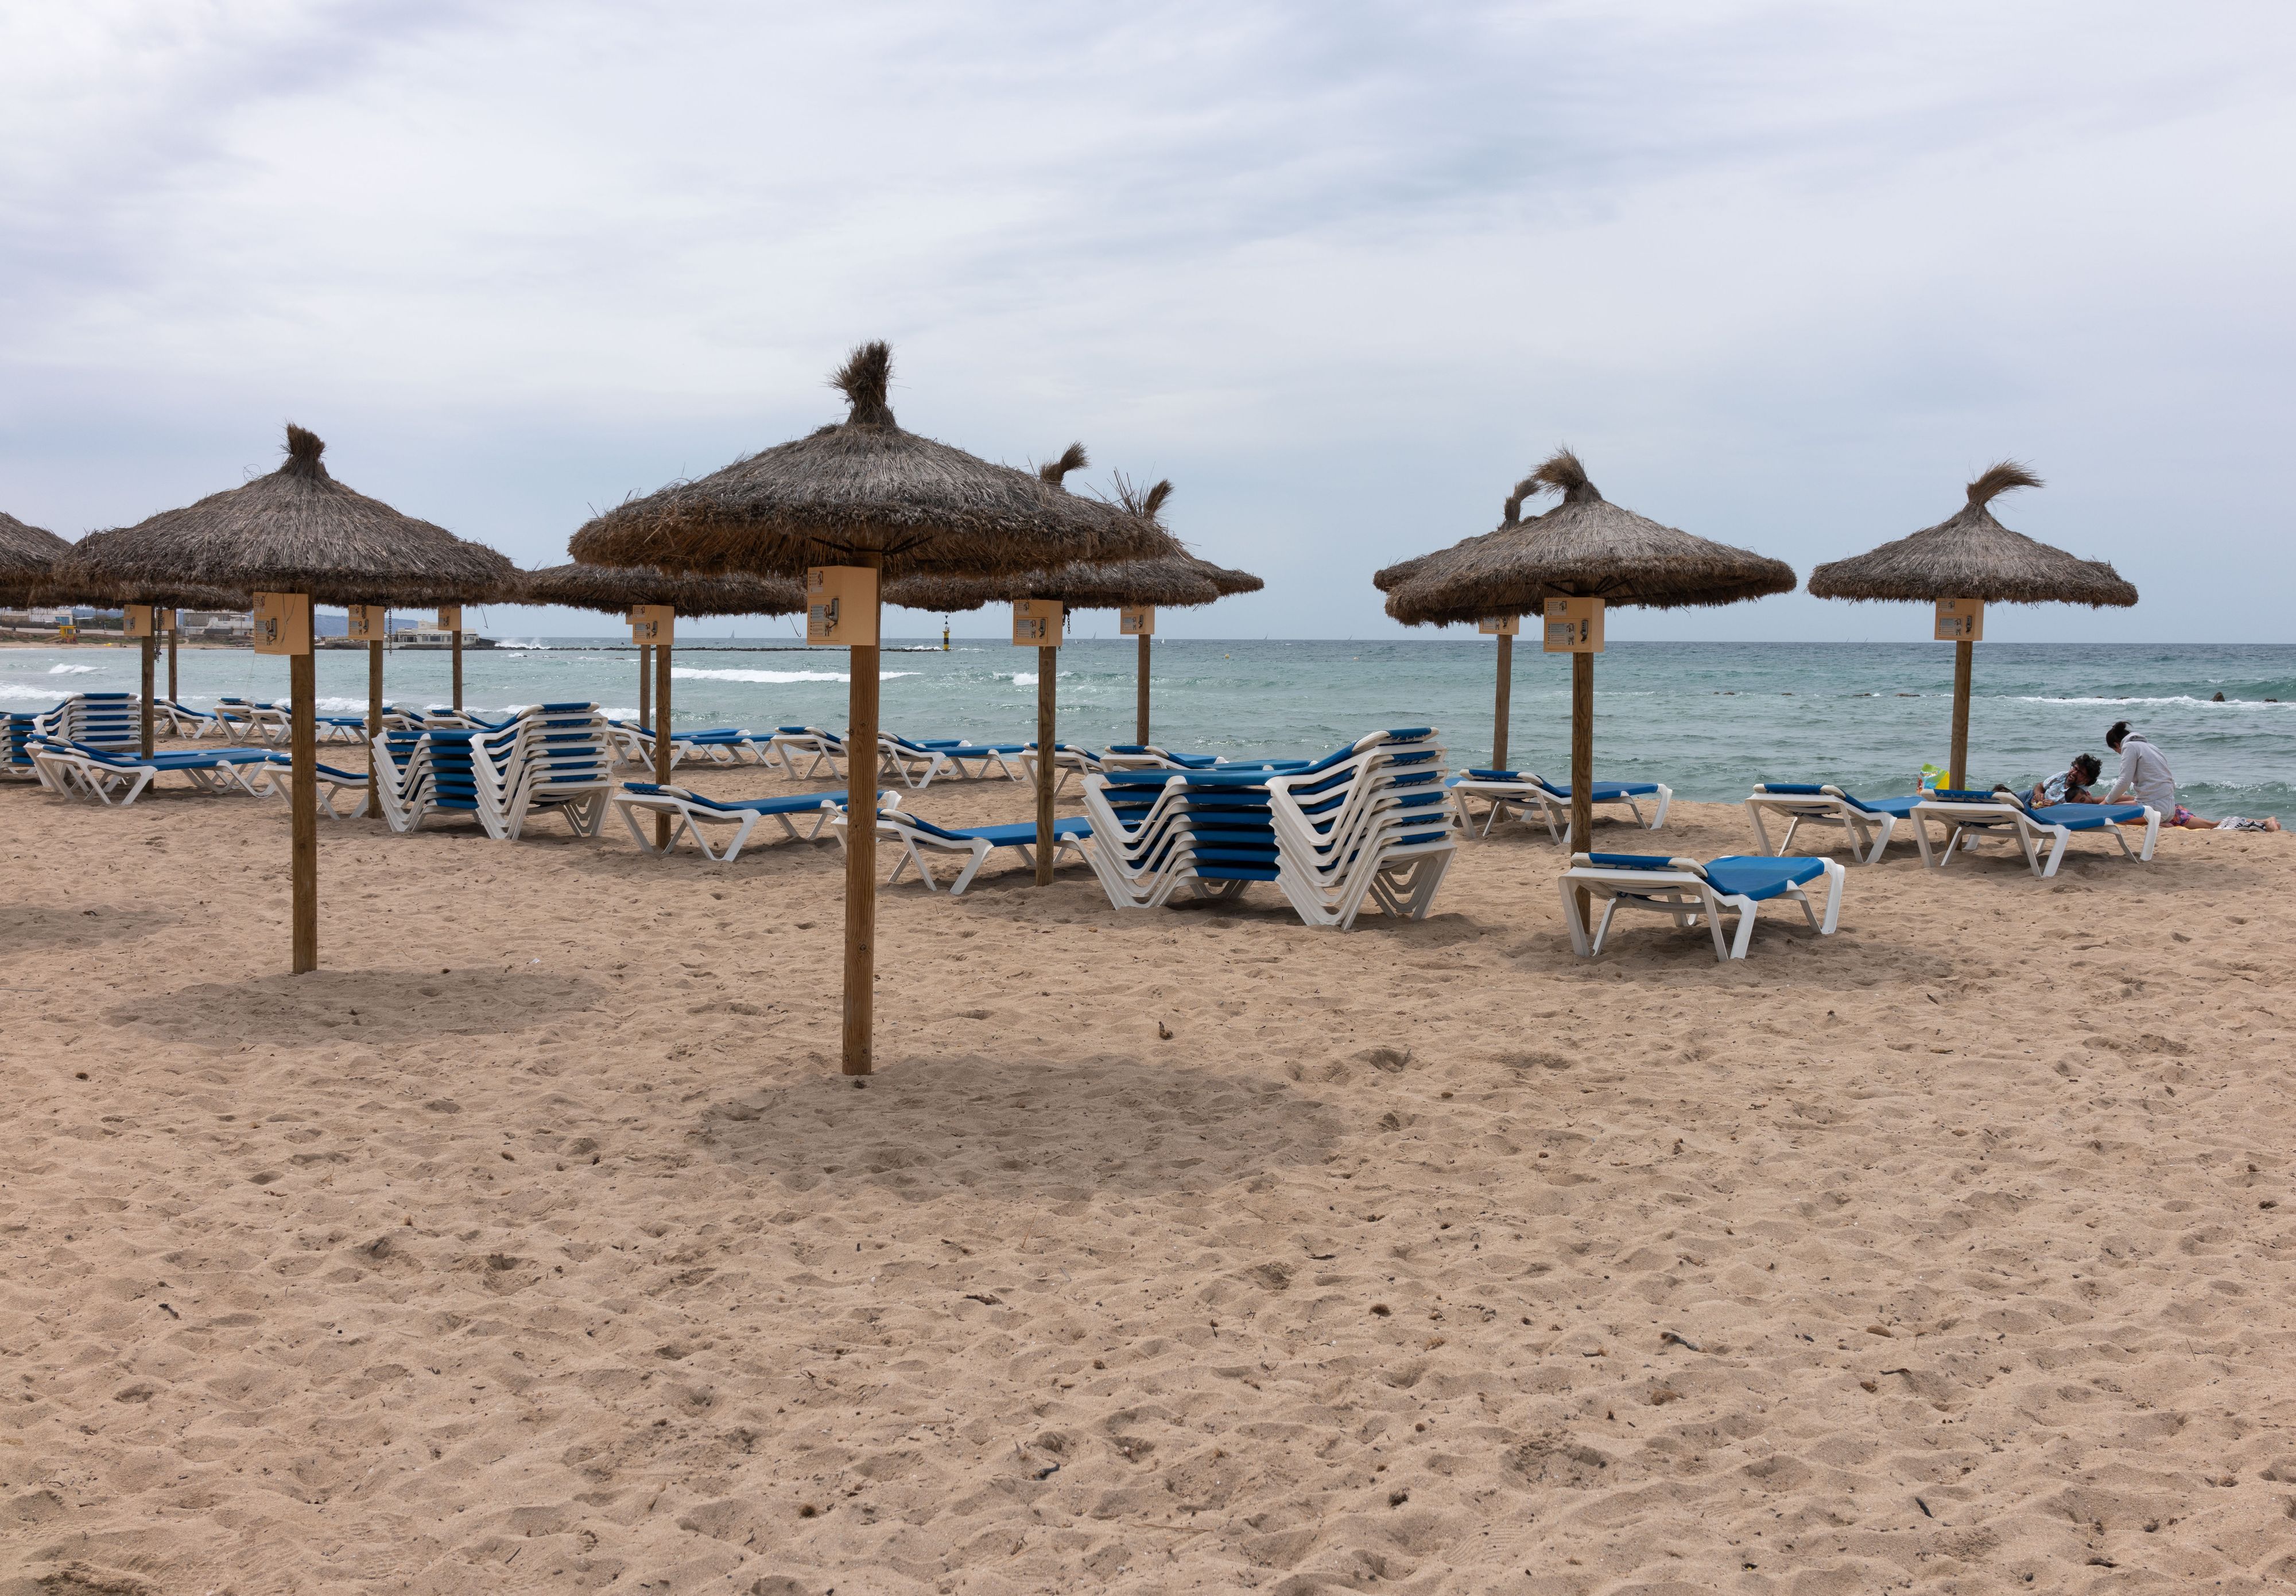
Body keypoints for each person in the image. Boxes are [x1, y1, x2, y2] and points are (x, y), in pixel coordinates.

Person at [2103, 720, 2281, 831]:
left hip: (2155, 807)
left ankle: (2261, 823)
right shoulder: (2150, 747)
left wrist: (2106, 803)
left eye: (2115, 751)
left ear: (2117, 745)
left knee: (2107, 814)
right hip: (2169, 805)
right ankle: (2262, 822)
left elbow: (2124, 782)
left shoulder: (2129, 747)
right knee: (2211, 825)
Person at [2029, 754, 2102, 809]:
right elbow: (2040, 786)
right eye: (2075, 768)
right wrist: (2038, 795)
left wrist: (2055, 808)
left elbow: (2072, 813)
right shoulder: (2063, 775)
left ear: (2087, 779)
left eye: (2080, 773)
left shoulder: (2080, 795)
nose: (2074, 773)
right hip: (2032, 798)